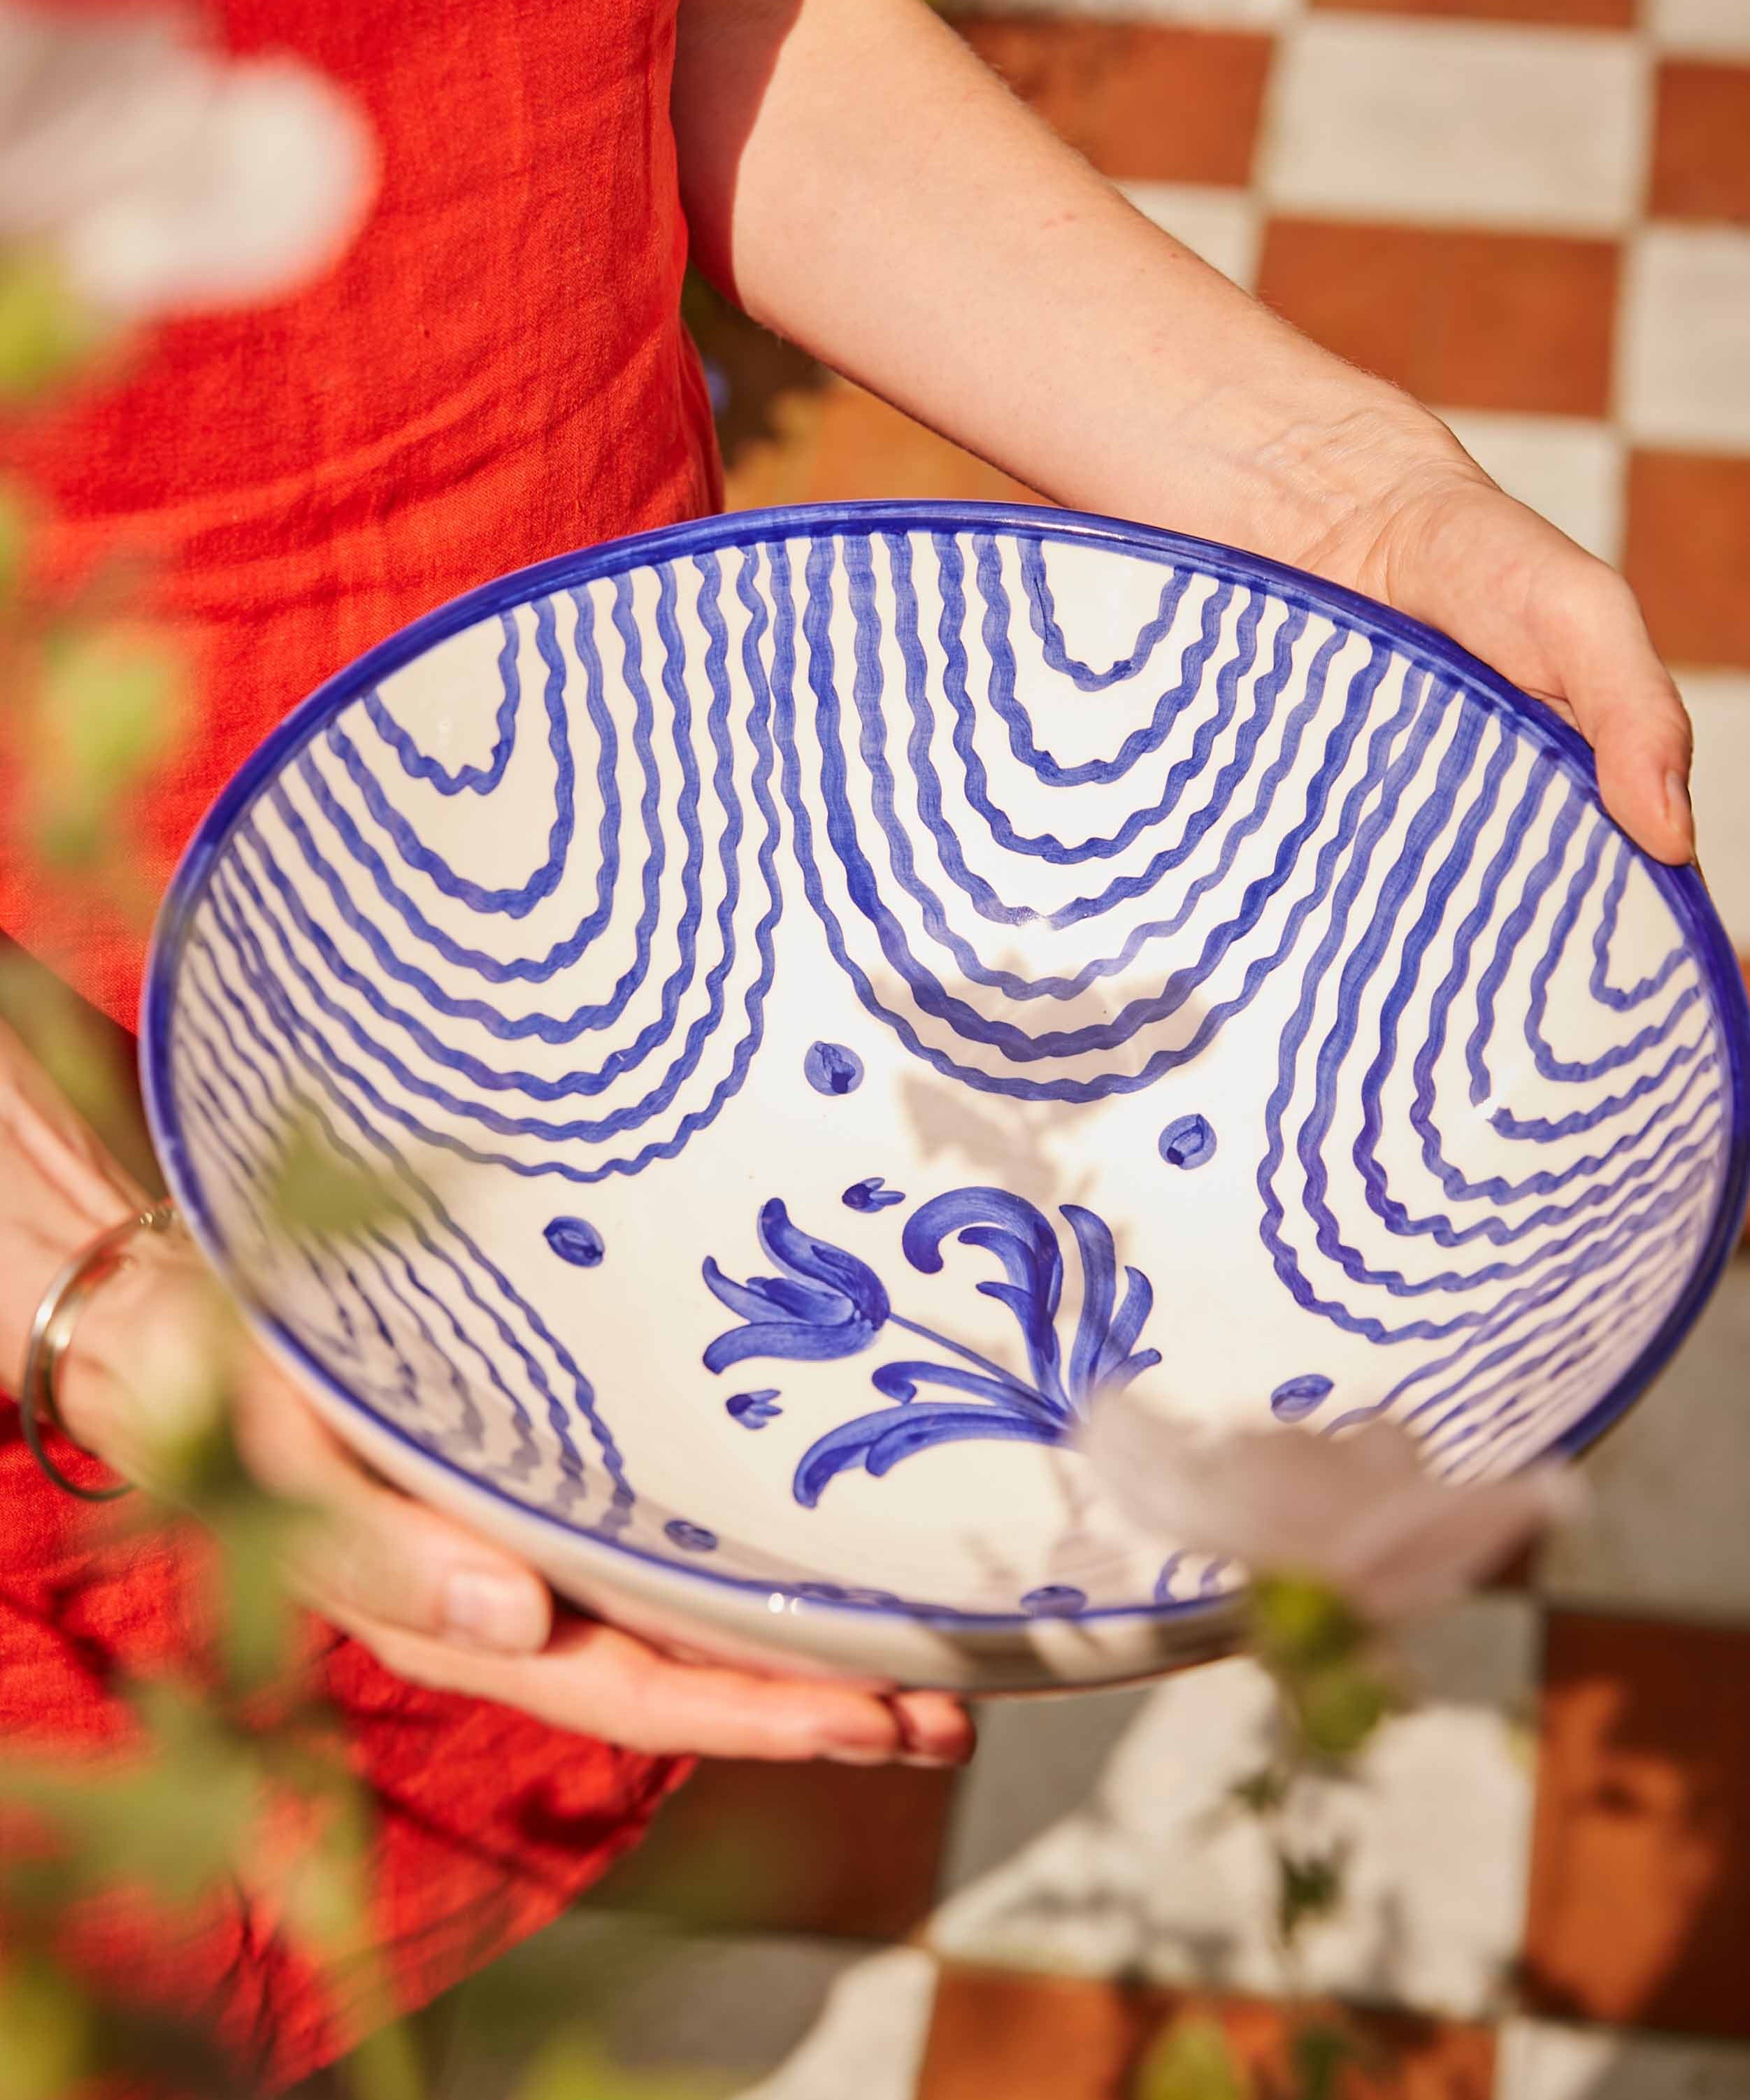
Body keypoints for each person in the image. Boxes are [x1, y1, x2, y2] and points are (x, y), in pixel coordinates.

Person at [0, 0, 1694, 2079]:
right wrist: (70, 1276)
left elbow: (675, 36)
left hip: (620, 1030)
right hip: (79, 1156)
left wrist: (1326, 487)